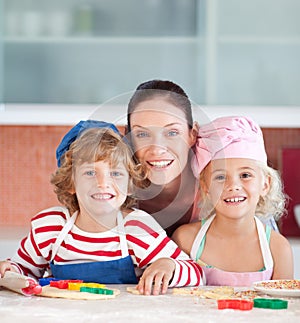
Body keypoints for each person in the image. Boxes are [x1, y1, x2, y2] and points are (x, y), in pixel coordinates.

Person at [0, 121, 204, 296]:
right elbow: (22, 272)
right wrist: (8, 271)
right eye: (90, 172)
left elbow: (197, 273)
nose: (102, 183)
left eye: (115, 173)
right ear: (70, 182)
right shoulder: (51, 228)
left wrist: (169, 265)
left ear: (129, 183)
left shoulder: (136, 228)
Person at [126, 79, 278, 236]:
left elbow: (267, 248)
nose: (157, 149)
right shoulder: (116, 190)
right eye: (143, 134)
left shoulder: (223, 184)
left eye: (172, 133)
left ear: (192, 135)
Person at [172, 116, 294, 286]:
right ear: (205, 186)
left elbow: (281, 308)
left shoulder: (278, 249)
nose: (233, 186)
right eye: (220, 177)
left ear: (265, 184)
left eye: (245, 175)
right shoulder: (186, 240)